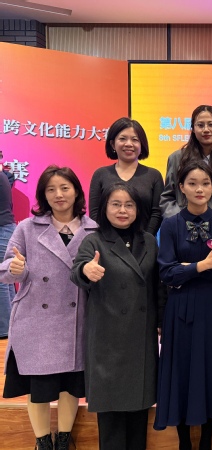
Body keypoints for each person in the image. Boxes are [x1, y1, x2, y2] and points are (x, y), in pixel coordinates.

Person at [0, 165, 97, 450]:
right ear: (43, 195)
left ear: (76, 192)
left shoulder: (94, 229)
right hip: (36, 320)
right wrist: (16, 268)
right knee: (38, 388)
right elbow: (6, 268)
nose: (58, 194)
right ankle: (42, 441)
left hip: (77, 319)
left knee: (71, 386)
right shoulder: (27, 228)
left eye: (65, 188)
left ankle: (64, 438)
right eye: (51, 189)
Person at [71, 182, 161, 450]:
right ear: (105, 208)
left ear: (138, 209)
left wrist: (161, 322)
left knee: (138, 414)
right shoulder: (94, 240)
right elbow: (77, 270)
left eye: (129, 205)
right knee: (110, 416)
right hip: (108, 338)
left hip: (140, 336)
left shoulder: (148, 241)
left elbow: (157, 285)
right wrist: (86, 271)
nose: (123, 210)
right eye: (116, 204)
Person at [155, 161, 212, 450]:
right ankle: (183, 443)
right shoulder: (170, 224)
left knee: (211, 371)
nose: (199, 189)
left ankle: (205, 442)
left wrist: (186, 268)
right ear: (181, 188)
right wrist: (201, 265)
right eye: (192, 183)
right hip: (179, 309)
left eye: (205, 183)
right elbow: (167, 273)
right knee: (181, 372)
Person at [160, 105, 212, 218]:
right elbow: (167, 198)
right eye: (200, 125)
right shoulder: (176, 158)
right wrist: (179, 220)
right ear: (193, 129)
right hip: (182, 223)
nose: (206, 130)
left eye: (211, 124)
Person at [89, 117, 164, 235]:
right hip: (106, 242)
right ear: (113, 144)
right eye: (122, 139)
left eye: (135, 139)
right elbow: (95, 213)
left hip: (143, 242)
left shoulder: (154, 175)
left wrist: (146, 239)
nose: (129, 144)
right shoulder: (101, 174)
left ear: (142, 144)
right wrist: (107, 239)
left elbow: (157, 213)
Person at [0, 163, 15, 340]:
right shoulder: (4, 175)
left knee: (2, 280)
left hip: (2, 229)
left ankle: (5, 328)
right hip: (6, 228)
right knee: (6, 279)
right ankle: (11, 325)